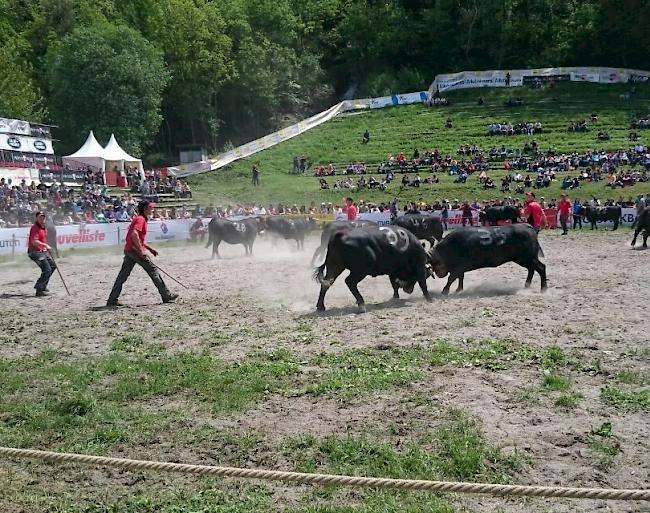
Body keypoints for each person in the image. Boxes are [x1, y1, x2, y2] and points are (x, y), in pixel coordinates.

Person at [107, 200, 178, 307]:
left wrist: (150, 249)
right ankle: (166, 295)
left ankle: (112, 299)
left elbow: (138, 238)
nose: (152, 209)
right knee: (153, 270)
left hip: (129, 250)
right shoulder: (141, 220)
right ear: (145, 209)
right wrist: (141, 251)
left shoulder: (139, 219)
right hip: (135, 251)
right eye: (150, 207)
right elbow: (134, 235)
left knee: (122, 276)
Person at [27, 211, 56, 297]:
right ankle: (39, 290)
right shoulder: (34, 227)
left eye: (43, 217)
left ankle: (42, 286)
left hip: (42, 251)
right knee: (47, 269)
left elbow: (42, 240)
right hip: (34, 252)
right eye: (40, 217)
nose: (42, 218)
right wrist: (46, 245)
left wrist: (46, 248)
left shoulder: (44, 228)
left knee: (52, 266)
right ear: (36, 218)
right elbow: (34, 242)